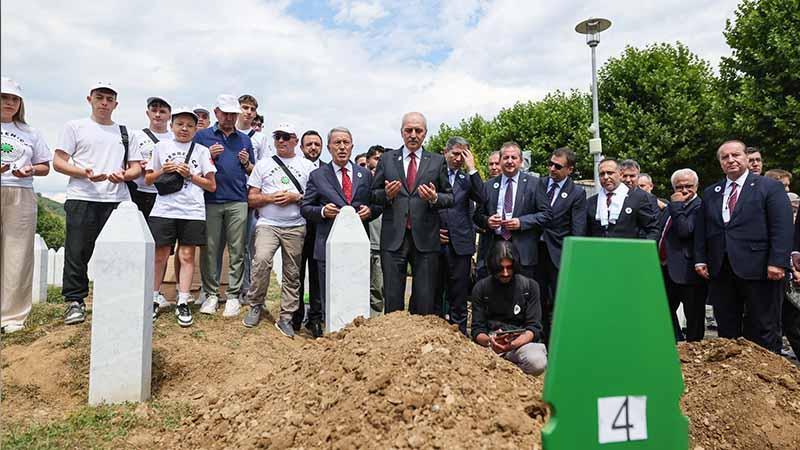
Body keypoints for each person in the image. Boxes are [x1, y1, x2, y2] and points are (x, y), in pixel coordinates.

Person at [53, 82, 143, 325]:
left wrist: (125, 175)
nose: (104, 103)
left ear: (116, 104)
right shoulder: (75, 127)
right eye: (99, 97)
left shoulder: (126, 132)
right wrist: (83, 173)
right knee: (77, 251)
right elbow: (58, 162)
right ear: (89, 99)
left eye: (109, 99)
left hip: (118, 199)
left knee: (120, 252)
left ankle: (118, 299)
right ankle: (75, 301)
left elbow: (135, 167)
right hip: (83, 196)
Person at [694, 140, 793, 352]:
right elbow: (703, 229)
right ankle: (732, 376)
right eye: (725, 157)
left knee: (763, 325)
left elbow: (781, 227)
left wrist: (778, 262)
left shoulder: (770, 187)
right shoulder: (712, 192)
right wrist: (701, 258)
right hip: (722, 269)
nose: (731, 160)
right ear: (720, 163)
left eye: (735, 155)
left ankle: (767, 376)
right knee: (727, 327)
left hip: (761, 268)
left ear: (746, 158)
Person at [371, 112, 453, 315]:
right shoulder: (388, 159)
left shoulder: (437, 161)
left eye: (418, 130)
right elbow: (373, 194)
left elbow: (449, 198)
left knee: (425, 299)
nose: (413, 134)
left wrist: (434, 198)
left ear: (425, 133)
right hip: (393, 238)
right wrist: (387, 195)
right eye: (409, 130)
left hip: (426, 239)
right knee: (392, 299)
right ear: (401, 133)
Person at [300, 127, 379, 337]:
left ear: (352, 146)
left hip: (357, 246)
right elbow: (306, 208)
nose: (342, 147)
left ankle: (358, 334)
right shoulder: (318, 176)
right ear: (329, 148)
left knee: (356, 289)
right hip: (328, 244)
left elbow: (375, 204)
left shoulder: (364, 175)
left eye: (346, 142)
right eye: (337, 143)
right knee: (329, 294)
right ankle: (329, 333)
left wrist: (370, 211)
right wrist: (323, 211)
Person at [145, 108, 217, 327]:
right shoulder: (160, 147)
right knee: (160, 255)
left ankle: (183, 300)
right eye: (180, 124)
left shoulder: (202, 151)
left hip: (192, 210)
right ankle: (154, 298)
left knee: (187, 256)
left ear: (196, 129)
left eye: (189, 125)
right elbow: (148, 180)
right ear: (171, 126)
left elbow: (211, 186)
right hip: (164, 210)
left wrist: (190, 175)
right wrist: (163, 171)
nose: (184, 129)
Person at [242, 123, 315, 337]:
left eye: (285, 137)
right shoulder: (263, 165)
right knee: (261, 261)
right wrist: (269, 198)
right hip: (268, 224)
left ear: (295, 140)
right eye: (277, 137)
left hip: (295, 225)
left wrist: (295, 197)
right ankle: (255, 304)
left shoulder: (307, 166)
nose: (281, 141)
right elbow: (252, 198)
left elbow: (312, 198)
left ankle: (286, 317)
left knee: (292, 272)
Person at [193, 94, 255, 317]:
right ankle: (210, 294)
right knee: (210, 249)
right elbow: (192, 167)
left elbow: (253, 172)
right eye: (225, 113)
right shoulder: (202, 136)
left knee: (237, 249)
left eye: (232, 114)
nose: (229, 117)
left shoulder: (244, 139)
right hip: (210, 200)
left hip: (238, 200)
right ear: (216, 112)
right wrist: (207, 155)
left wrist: (246, 162)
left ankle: (233, 295)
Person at [0, 76, 52, 334]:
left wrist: (31, 168)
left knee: (18, 253)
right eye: (4, 97)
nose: (9, 103)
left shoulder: (30, 132)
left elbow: (45, 166)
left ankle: (12, 316)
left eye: (14, 99)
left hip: (21, 193)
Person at [474, 142, 551, 279]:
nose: (510, 161)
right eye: (506, 157)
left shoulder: (535, 183)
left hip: (523, 252)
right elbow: (477, 216)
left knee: (522, 295)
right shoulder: (488, 186)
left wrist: (522, 222)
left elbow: (546, 215)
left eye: (514, 158)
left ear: (521, 161)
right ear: (500, 160)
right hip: (494, 248)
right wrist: (487, 221)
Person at [471, 240, 548, 376]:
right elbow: (477, 330)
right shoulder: (481, 288)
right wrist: (491, 340)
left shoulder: (530, 287)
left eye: (509, 267)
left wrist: (513, 344)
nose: (505, 273)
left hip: (521, 344)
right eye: (501, 269)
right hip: (491, 345)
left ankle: (513, 376)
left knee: (537, 362)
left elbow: (534, 328)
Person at [535, 147, 586, 344]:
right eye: (550, 164)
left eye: (558, 166)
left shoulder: (577, 193)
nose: (552, 169)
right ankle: (539, 342)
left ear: (570, 169)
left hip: (559, 255)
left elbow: (578, 229)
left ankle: (559, 344)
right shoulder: (539, 184)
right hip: (536, 252)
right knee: (537, 300)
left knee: (558, 302)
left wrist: (573, 259)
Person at [436, 137, 484, 334]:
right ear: (445, 152)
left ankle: (461, 337)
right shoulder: (434, 175)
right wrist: (432, 232)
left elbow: (482, 198)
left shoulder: (467, 179)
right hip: (436, 242)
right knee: (435, 294)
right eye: (455, 153)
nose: (458, 158)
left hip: (461, 246)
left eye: (463, 155)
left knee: (459, 297)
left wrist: (472, 169)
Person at [659, 168, 707, 342]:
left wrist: (677, 206)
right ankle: (675, 344)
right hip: (665, 269)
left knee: (693, 316)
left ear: (697, 186)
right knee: (663, 313)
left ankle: (695, 352)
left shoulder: (700, 206)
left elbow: (685, 231)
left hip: (688, 271)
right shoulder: (670, 207)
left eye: (689, 186)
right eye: (679, 187)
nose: (684, 190)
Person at [290, 130, 324, 331]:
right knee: (297, 274)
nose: (313, 148)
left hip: (320, 230)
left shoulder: (328, 170)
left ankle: (315, 318)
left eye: (317, 144)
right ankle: (295, 317)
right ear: (301, 147)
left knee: (318, 276)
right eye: (309, 144)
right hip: (297, 228)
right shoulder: (294, 168)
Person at [586, 158, 659, 240]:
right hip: (598, 251)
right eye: (602, 174)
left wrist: (641, 250)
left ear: (620, 174)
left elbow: (652, 230)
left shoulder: (638, 198)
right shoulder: (591, 202)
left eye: (610, 173)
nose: (606, 177)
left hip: (629, 251)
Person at [475, 150, 502, 280]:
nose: (494, 167)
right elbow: (477, 215)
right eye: (491, 164)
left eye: (497, 163)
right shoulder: (484, 187)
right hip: (488, 245)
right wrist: (487, 221)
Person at [366, 145, 385, 315]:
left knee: (378, 289)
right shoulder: (363, 182)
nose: (380, 163)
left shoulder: (389, 184)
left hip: (381, 244)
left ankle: (376, 321)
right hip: (364, 242)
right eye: (377, 158)